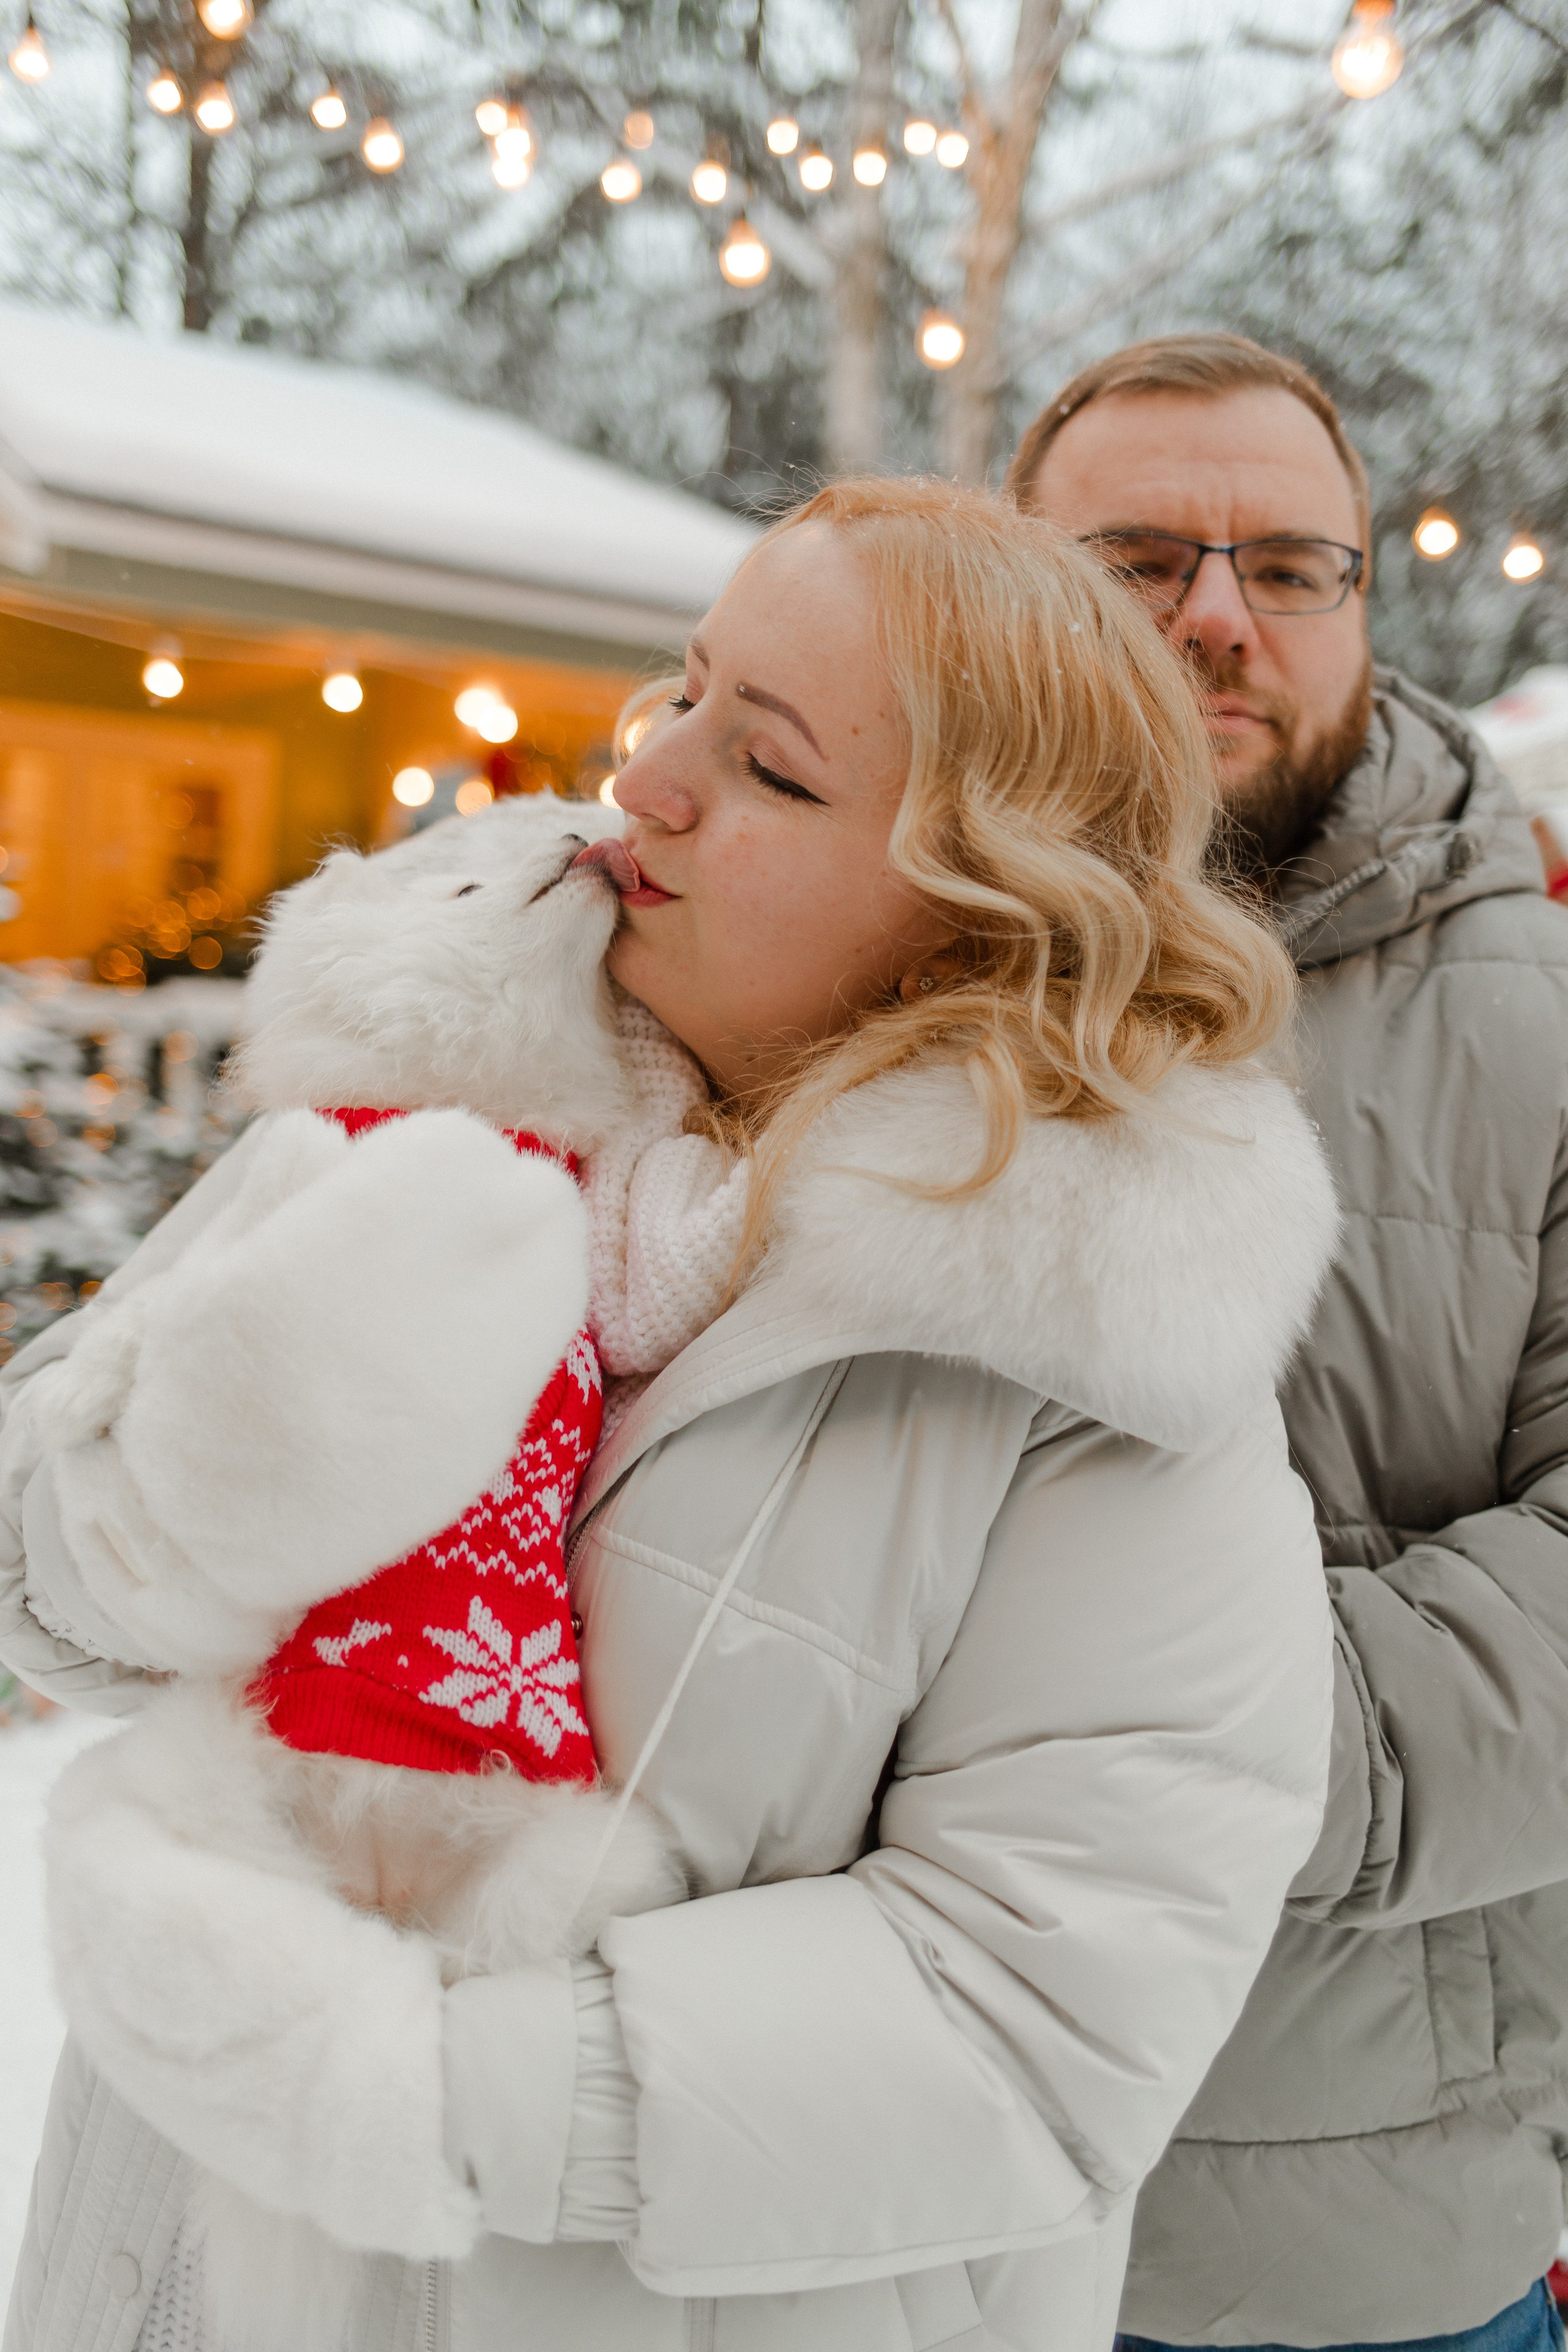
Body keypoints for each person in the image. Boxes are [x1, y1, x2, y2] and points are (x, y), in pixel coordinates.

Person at [1, 478, 1336, 2352]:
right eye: (689, 691)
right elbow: (40, 1573)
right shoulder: (444, 1078)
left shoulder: (1102, 1367)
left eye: (773, 767)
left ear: (981, 906)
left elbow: (1036, 2023)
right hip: (170, 2283)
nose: (649, 781)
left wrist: (383, 2084)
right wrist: (213, 1476)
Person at [1009, 332, 1568, 2352]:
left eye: (1290, 566)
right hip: (866, 2201)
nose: (1217, 622)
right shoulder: (830, 939)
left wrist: (1185, 1758)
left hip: (1366, 2241)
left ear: (1363, 597)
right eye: (1137, 560)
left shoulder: (1553, 1022)